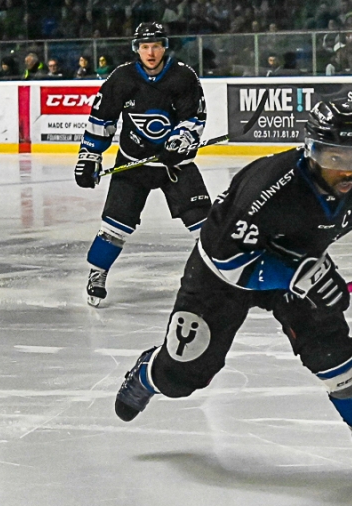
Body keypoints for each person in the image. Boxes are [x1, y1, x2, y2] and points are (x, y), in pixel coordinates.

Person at [113, 99, 352, 486]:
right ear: (312, 152)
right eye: (335, 157)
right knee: (184, 375)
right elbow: (230, 261)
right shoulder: (267, 187)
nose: (347, 169)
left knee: (332, 350)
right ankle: (150, 373)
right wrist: (300, 275)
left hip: (302, 264)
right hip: (221, 276)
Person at [73, 21, 211, 307]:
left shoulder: (183, 77)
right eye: (145, 46)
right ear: (137, 48)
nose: (151, 52)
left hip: (175, 166)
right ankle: (97, 273)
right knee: (114, 227)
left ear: (165, 47)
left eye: (156, 46)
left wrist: (179, 142)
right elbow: (102, 120)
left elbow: (194, 117)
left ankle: (218, 277)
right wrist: (89, 157)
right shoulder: (121, 79)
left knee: (206, 226)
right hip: (133, 163)